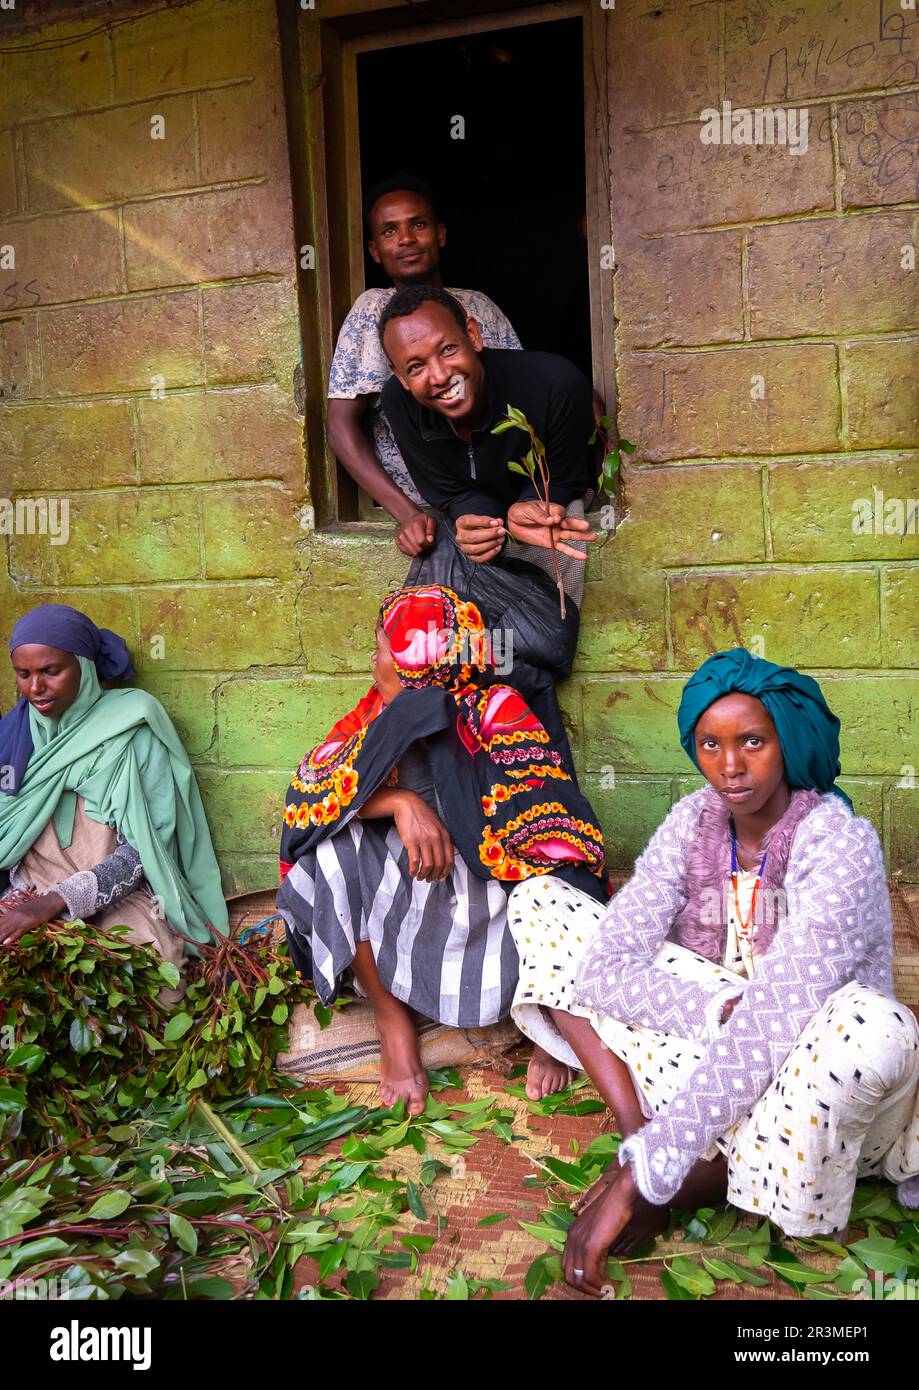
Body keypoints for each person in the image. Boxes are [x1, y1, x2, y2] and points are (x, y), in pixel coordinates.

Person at [505, 647, 919, 1296]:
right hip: (713, 1030)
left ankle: (694, 1174)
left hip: (811, 1077)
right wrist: (710, 1011)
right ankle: (642, 1131)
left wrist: (649, 1178)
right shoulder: (693, 820)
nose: (729, 767)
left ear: (786, 741)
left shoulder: (837, 843)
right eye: (709, 744)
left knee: (877, 1029)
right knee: (543, 904)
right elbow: (605, 969)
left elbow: (781, 1016)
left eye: (752, 741)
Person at [276, 584, 608, 1115]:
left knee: (549, 892)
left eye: (383, 648)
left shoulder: (496, 710)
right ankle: (392, 1021)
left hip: (491, 902)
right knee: (328, 856)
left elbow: (555, 833)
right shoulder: (372, 717)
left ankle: (550, 1024)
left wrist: (468, 822)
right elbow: (305, 804)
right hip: (414, 887)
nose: (373, 660)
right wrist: (402, 802)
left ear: (415, 663)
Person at [0, 606, 228, 996]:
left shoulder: (133, 728)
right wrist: (30, 903)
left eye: (51, 672)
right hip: (28, 892)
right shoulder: (13, 735)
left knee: (153, 983)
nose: (35, 688)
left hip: (117, 898)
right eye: (24, 675)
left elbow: (142, 853)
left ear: (84, 668)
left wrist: (58, 902)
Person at [326, 174, 522, 558]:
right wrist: (407, 514)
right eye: (389, 231)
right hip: (427, 507)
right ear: (375, 250)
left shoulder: (478, 306)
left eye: (418, 224)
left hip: (498, 503)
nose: (406, 239)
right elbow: (341, 425)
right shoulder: (372, 311)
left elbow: (523, 394)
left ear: (441, 234)